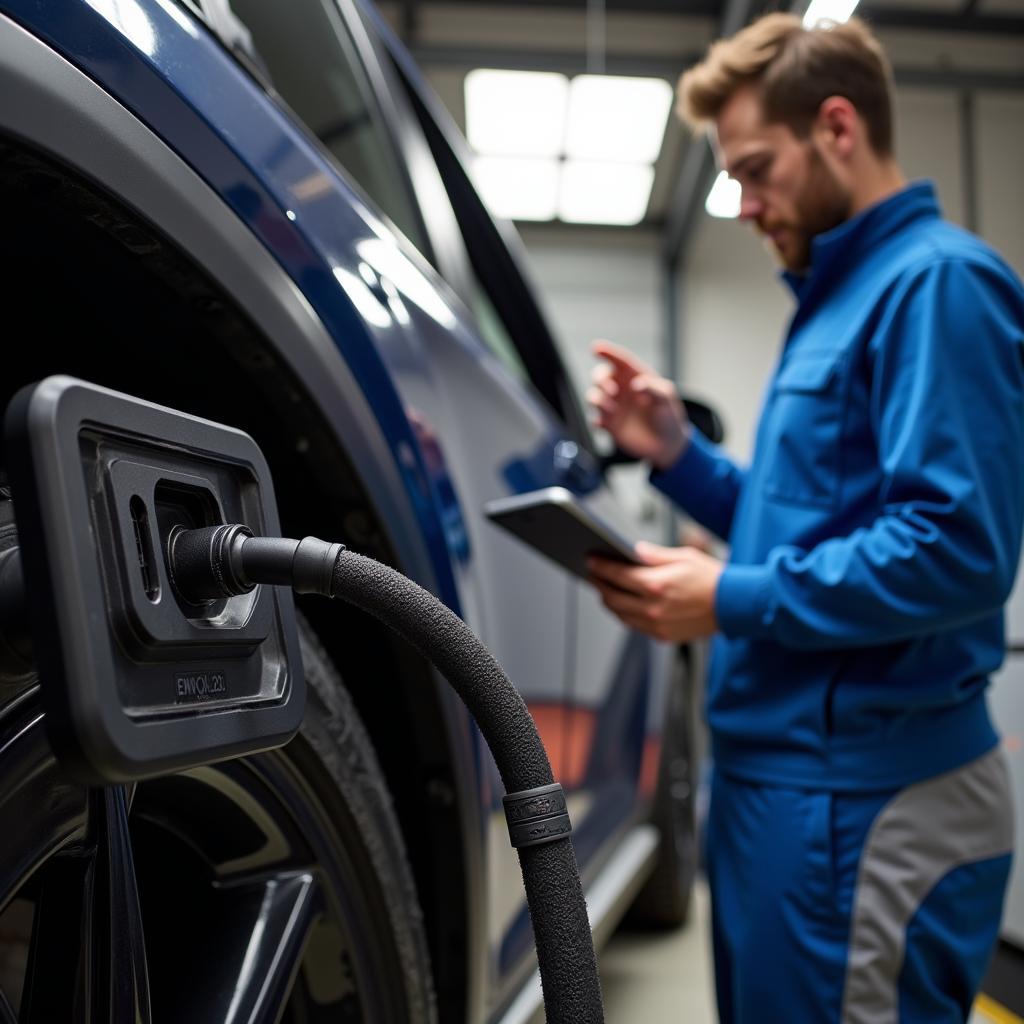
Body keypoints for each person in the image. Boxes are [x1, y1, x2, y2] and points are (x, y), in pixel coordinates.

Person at [586, 13, 1024, 1023]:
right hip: (784, 789)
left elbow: (954, 549)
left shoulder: (936, 285)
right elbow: (802, 522)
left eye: (752, 170)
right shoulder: (831, 302)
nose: (740, 203)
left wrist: (728, 598)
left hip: (867, 800)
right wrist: (677, 455)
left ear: (837, 126)